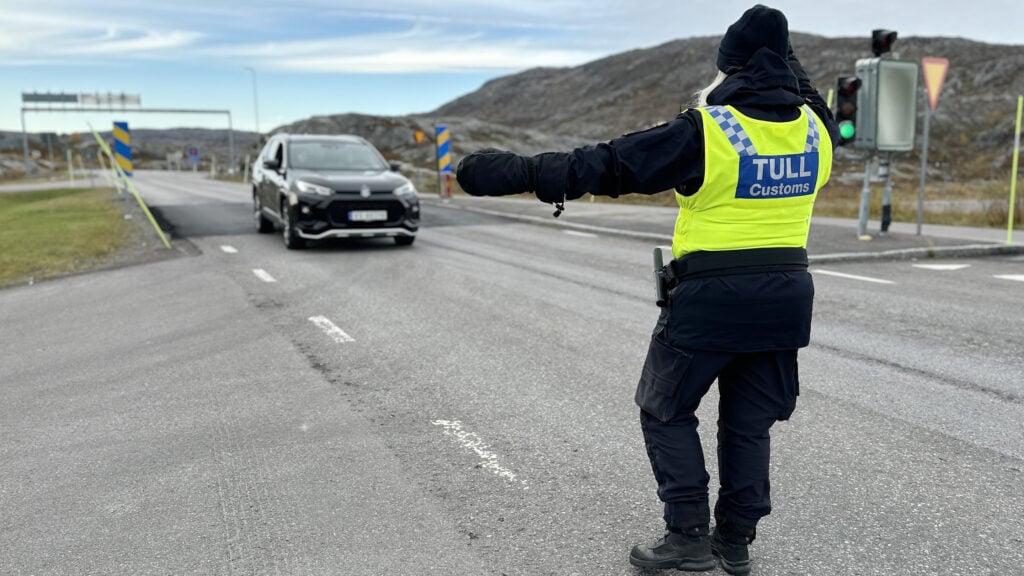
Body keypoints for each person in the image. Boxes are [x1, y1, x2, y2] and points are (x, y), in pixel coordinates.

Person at [456, 4, 837, 574]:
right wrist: (782, 53)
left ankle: (686, 537)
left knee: (665, 409)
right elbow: (808, 94)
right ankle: (734, 542)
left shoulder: (709, 131)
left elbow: (608, 165)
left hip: (710, 299)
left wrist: (517, 173)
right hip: (786, 298)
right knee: (749, 423)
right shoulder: (818, 133)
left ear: (727, 68)